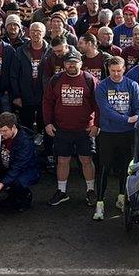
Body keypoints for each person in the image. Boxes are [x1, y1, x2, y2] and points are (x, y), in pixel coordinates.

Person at [43, 51, 100, 207]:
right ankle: (62, 192)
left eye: (75, 62)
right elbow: (47, 102)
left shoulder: (90, 80)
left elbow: (98, 104)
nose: (71, 65)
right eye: (69, 62)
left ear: (81, 64)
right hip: (62, 128)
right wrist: (47, 123)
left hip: (85, 129)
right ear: (64, 64)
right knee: (62, 160)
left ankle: (90, 191)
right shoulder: (56, 79)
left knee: (86, 160)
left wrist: (97, 124)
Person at [94, 56, 139, 221]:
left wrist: (136, 118)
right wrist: (128, 119)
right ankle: (99, 203)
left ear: (124, 69)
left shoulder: (132, 85)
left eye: (119, 70)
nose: (116, 74)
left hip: (127, 134)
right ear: (108, 70)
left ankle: (122, 197)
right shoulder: (101, 86)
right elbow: (105, 110)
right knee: (104, 168)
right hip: (108, 133)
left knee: (125, 167)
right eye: (112, 70)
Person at [0, 112, 40, 212]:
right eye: (0, 131)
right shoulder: (2, 136)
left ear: (13, 127)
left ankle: (25, 197)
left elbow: (19, 166)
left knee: (17, 182)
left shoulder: (25, 142)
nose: (2, 134)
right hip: (8, 166)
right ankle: (11, 196)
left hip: (26, 170)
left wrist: (2, 183)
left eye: (5, 131)